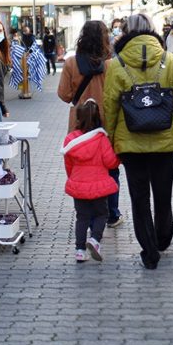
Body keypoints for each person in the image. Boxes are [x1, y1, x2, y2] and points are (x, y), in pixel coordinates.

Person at [102, 13, 173, 270]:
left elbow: (109, 106)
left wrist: (111, 136)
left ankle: (149, 250)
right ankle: (163, 239)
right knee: (163, 195)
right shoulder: (169, 60)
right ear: (152, 31)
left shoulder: (116, 64)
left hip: (130, 143)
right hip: (164, 142)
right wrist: (161, 103)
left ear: (126, 31)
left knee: (139, 197)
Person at [58, 20, 123, 228]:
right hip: (106, 124)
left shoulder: (70, 63)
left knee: (82, 167)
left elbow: (64, 95)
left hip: (79, 124)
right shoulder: (112, 64)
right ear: (105, 38)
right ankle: (112, 214)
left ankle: (86, 214)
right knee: (110, 168)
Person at [62, 99, 120, 263]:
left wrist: (74, 179)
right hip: (99, 185)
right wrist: (118, 159)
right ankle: (94, 239)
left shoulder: (70, 140)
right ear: (98, 118)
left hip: (79, 185)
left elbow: (68, 164)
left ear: (78, 118)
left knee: (82, 217)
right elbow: (110, 162)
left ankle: (80, 250)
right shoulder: (101, 138)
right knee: (102, 214)